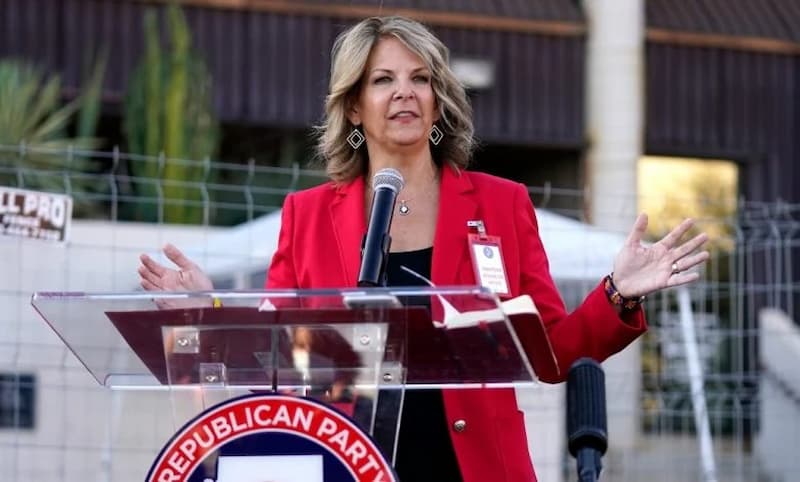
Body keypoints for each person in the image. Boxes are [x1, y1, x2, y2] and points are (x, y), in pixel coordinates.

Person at [138, 15, 709, 482]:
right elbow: (279, 361)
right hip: (348, 464)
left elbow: (550, 354)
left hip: (475, 467)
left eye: (420, 79)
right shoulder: (306, 216)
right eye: (382, 80)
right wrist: (209, 312)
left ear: (437, 102)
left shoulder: (502, 204)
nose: (404, 92)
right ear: (354, 106)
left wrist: (617, 293)